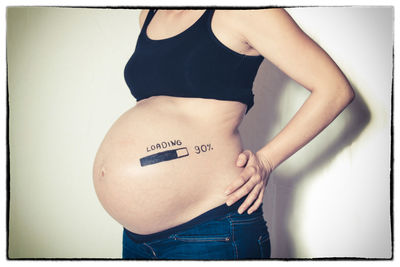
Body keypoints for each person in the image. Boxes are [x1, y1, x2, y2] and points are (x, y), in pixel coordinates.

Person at [92, 8, 354, 260]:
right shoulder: (149, 16)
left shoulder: (246, 11)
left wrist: (266, 160)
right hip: (135, 240)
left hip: (211, 232)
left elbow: (334, 88)